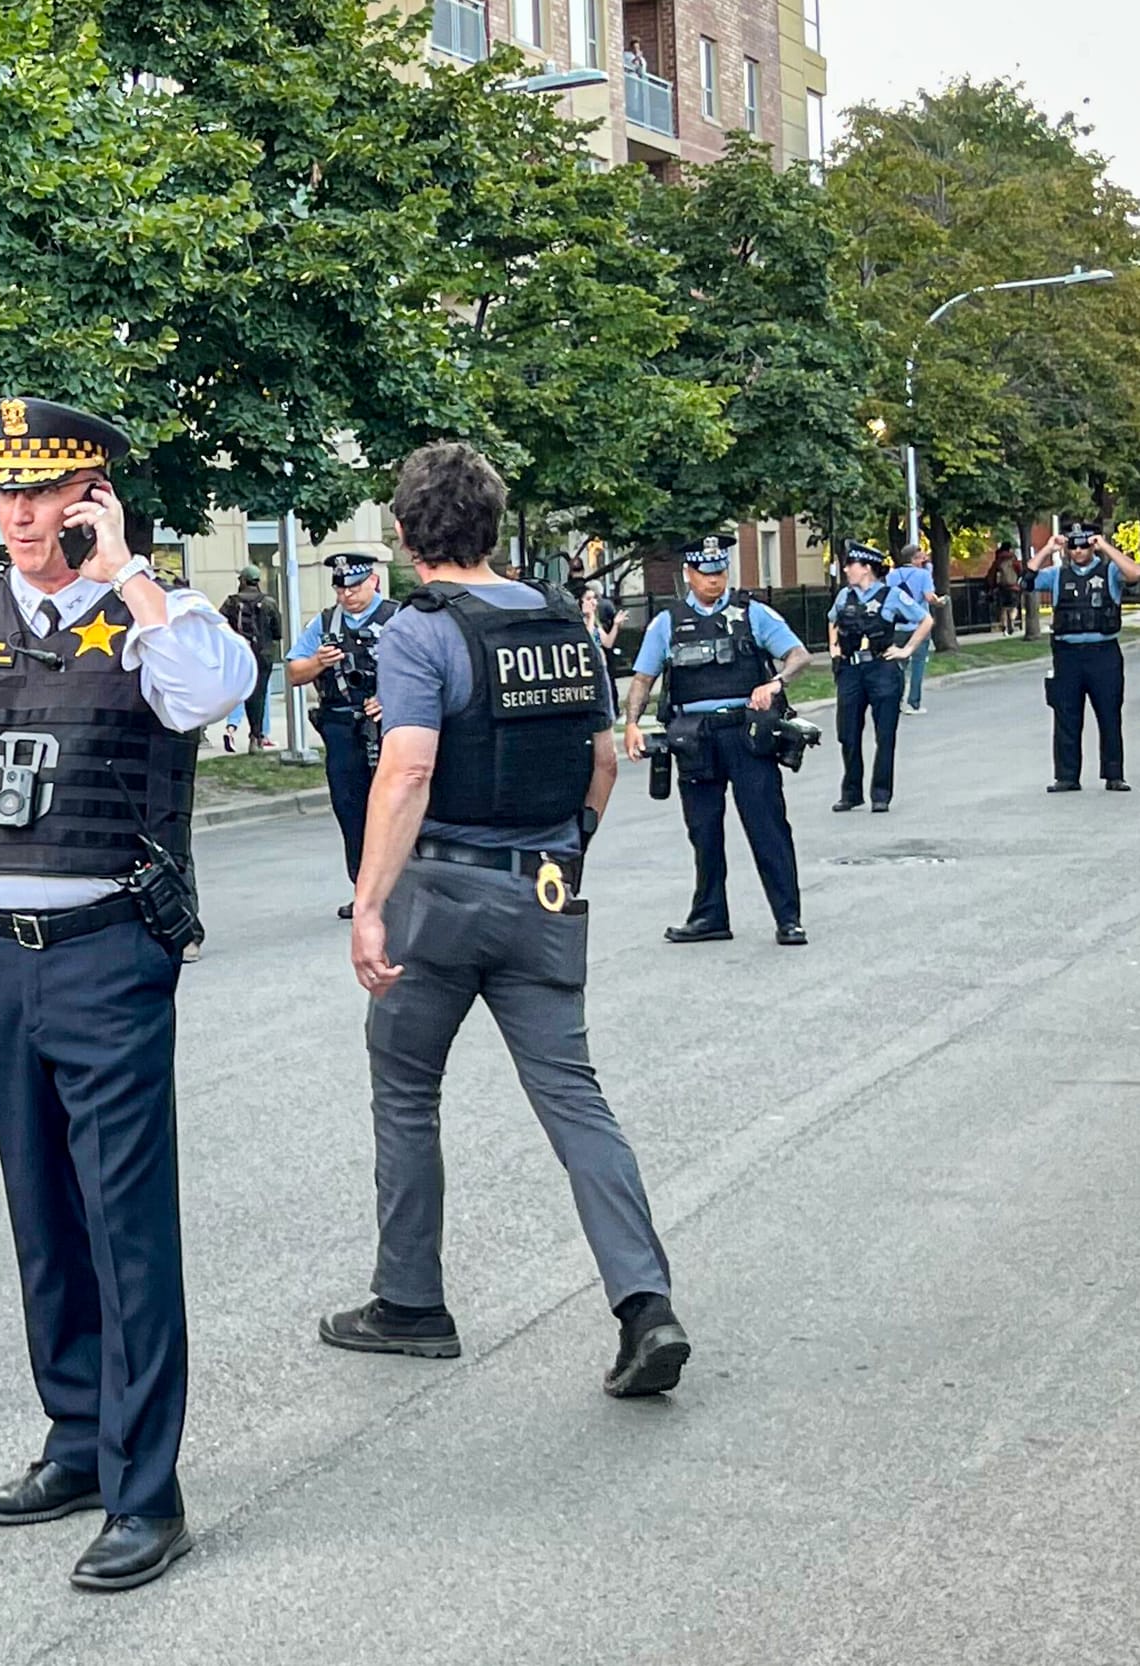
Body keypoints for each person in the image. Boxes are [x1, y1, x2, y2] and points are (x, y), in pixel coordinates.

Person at [0, 397, 256, 1593]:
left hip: (106, 951)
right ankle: (76, 1439)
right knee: (41, 1211)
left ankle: (148, 1492)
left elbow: (209, 694)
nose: (22, 515)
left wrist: (130, 570)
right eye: (6, 494)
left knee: (124, 1225)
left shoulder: (154, 621)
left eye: (48, 493)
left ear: (91, 498)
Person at [324, 441, 689, 1412]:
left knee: (405, 1088)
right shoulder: (565, 623)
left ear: (403, 537)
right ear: (492, 524)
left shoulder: (417, 629)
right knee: (575, 1098)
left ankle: (408, 1304)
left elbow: (404, 770)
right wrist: (565, 854)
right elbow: (603, 760)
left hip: (440, 897)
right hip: (544, 891)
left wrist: (367, 904)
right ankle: (644, 1302)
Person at [621, 536, 814, 944]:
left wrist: (775, 684)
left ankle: (788, 918)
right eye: (706, 574)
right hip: (695, 738)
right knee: (703, 831)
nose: (715, 581)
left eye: (720, 573)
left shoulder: (752, 614)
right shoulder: (668, 622)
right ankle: (710, 916)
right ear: (688, 575)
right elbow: (643, 678)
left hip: (746, 734)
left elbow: (799, 655)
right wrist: (632, 724)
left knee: (767, 826)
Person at [284, 552, 396, 917]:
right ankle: (364, 892)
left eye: (354, 586)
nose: (347, 595)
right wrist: (320, 662)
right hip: (341, 725)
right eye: (340, 588)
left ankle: (400, 890)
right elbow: (295, 671)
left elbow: (427, 670)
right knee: (350, 808)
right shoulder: (326, 623)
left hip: (388, 726)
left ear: (373, 581)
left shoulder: (398, 617)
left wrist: (392, 699)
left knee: (394, 807)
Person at [825, 543, 931, 814]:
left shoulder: (891, 595)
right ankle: (851, 793)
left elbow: (925, 620)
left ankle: (881, 794)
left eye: (852, 565)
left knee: (884, 734)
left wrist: (906, 650)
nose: (847, 569)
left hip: (881, 668)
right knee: (847, 733)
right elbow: (832, 620)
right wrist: (834, 649)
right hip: (850, 669)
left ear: (867, 568)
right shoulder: (844, 596)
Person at [1027, 522, 1135, 791]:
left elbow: (1134, 574)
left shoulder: (1109, 571)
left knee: (1109, 714)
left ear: (1093, 544)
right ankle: (1066, 776)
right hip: (1067, 655)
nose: (1077, 550)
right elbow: (1026, 580)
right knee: (1066, 715)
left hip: (1104, 654)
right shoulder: (1057, 575)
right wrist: (1047, 549)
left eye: (1083, 544)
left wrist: (1106, 546)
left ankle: (1114, 774)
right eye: (1072, 545)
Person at [218, 565, 283, 752]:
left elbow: (219, 625)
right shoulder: (269, 602)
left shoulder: (231, 602)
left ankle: (235, 728)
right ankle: (257, 736)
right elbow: (278, 632)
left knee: (239, 692)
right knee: (260, 695)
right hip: (263, 655)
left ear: (243, 581)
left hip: (240, 656)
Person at [889, 543, 942, 714]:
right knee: (918, 664)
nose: (924, 559)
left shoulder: (893, 575)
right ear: (913, 559)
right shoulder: (923, 575)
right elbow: (928, 596)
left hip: (897, 626)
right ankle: (913, 702)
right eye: (921, 557)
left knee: (898, 665)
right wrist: (938, 601)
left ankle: (895, 701)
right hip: (919, 625)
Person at [988, 539, 1025, 635]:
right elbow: (1020, 571)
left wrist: (992, 587)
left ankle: (1004, 627)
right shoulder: (1013, 559)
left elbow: (992, 574)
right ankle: (1011, 621)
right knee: (1014, 607)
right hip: (1014, 587)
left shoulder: (998, 561)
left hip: (1002, 587)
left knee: (1003, 608)